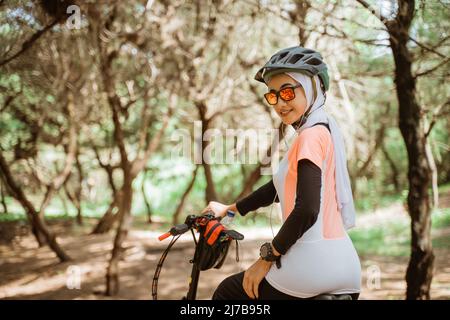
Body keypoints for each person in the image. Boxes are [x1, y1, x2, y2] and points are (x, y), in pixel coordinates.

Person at [202, 46, 361, 300]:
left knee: (227, 294)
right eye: (273, 96)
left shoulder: (309, 136)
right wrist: (231, 209)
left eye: (287, 91)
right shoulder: (324, 130)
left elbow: (308, 209)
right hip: (346, 268)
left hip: (312, 266)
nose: (280, 103)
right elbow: (278, 188)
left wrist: (267, 257)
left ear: (313, 87)